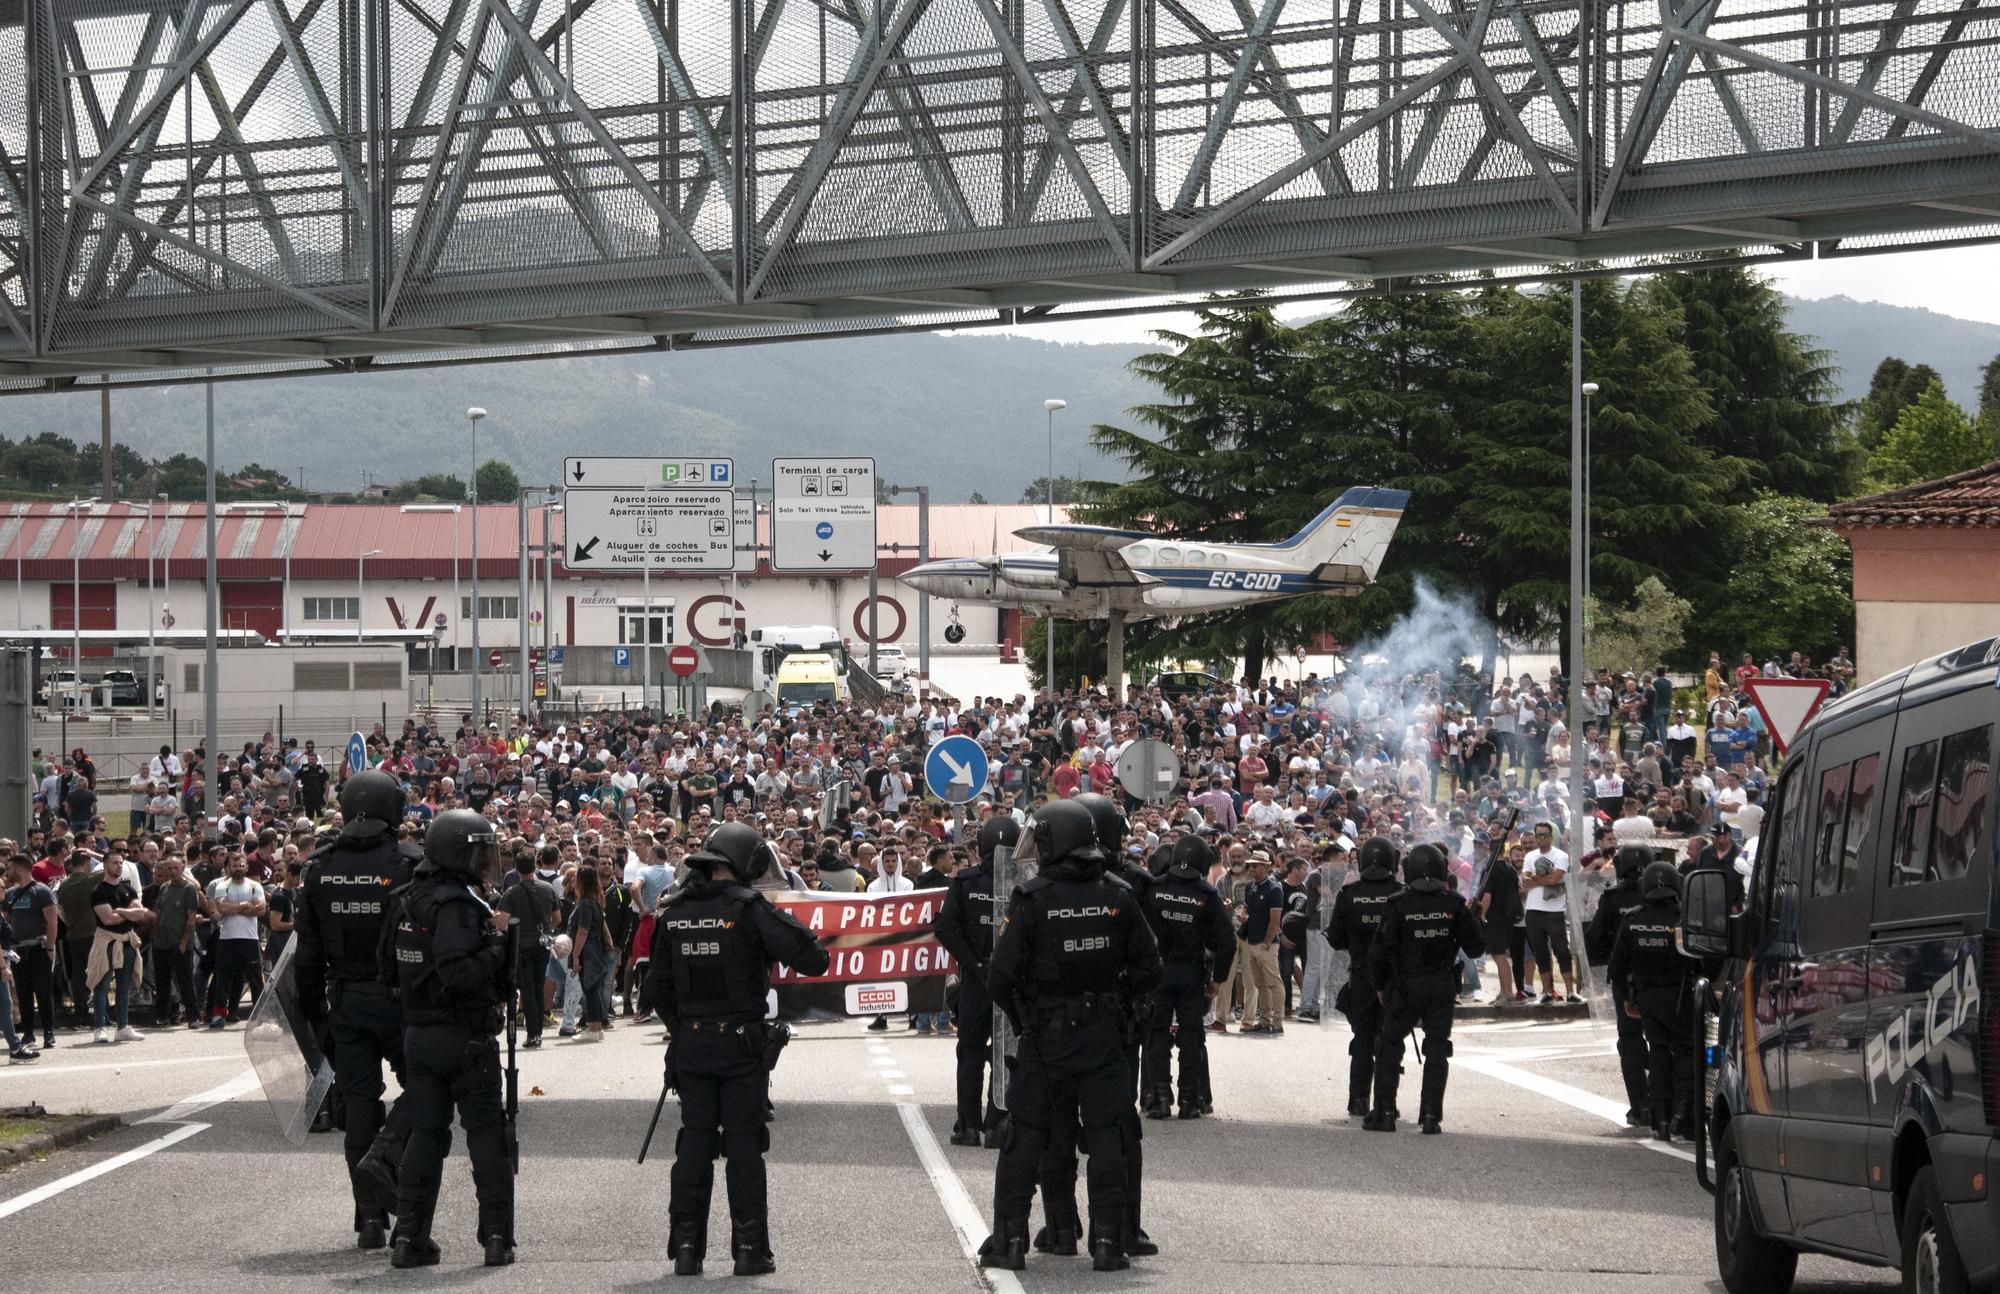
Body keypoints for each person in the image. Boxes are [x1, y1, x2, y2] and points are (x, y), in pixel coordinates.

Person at [976, 799, 1161, 1273]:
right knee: (1107, 1137)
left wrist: (1025, 1023)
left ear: (1054, 841)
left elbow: (999, 978)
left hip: (1045, 1039)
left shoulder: (1033, 898)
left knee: (1025, 1137)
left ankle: (1011, 1240)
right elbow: (1148, 968)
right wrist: (1118, 1008)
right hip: (1103, 1038)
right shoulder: (1119, 895)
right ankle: (1107, 1242)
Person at [643, 822, 828, 1277]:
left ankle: (687, 1249)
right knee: (744, 1146)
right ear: (743, 864)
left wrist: (685, 1028)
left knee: (694, 1142)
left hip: (691, 1045)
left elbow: (655, 991)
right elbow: (813, 959)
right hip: (742, 1047)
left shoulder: (674, 912)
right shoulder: (749, 909)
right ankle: (749, 1250)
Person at [292, 770, 421, 1251]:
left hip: (345, 1001)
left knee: (359, 1107)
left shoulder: (319, 869)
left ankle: (368, 1219)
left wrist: (317, 1020)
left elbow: (306, 959)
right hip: (401, 1001)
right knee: (427, 1088)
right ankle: (395, 1178)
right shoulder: (409, 864)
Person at [387, 809, 516, 1269]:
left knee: (426, 1133)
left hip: (419, 1033)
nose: (486, 862)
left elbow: (389, 970)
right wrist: (497, 943)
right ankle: (497, 1237)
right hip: (464, 1036)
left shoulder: (407, 899)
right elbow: (460, 973)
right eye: (478, 853)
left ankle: (408, 1237)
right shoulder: (457, 905)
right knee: (486, 1135)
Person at [1364, 843, 1483, 1135]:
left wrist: (1380, 986)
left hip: (1404, 986)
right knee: (1438, 1049)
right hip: (1441, 986)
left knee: (1389, 1046)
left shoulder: (1398, 904)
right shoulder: (1454, 904)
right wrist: (1475, 917)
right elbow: (1476, 948)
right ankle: (1431, 1115)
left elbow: (1378, 952)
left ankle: (1385, 1112)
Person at [1140, 836, 1233, 1120]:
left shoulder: (1153, 889)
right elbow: (1227, 940)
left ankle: (1159, 1098)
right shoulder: (1206, 894)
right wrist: (1218, 978)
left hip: (1157, 973)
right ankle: (1190, 1099)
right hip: (1192, 974)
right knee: (1192, 1036)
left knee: (1156, 1034)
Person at [935, 815, 1012, 1148]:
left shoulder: (965, 882)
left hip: (976, 980)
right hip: (1009, 982)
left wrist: (972, 965)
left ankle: (968, 1125)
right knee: (1005, 1053)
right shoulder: (1023, 884)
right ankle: (997, 1124)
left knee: (969, 1052)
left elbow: (945, 927)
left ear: (981, 849)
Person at [1610, 862, 1695, 1142]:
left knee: (1658, 1054)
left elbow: (1617, 969)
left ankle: (1659, 1120)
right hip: (1683, 997)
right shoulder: (1685, 919)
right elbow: (1707, 959)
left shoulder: (1633, 920)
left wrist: (1629, 1000)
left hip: (1647, 999)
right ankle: (1686, 1118)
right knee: (1687, 1053)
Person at [1328, 836, 1401, 1117]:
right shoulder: (1401, 894)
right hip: (1394, 979)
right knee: (1390, 1040)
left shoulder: (1349, 894)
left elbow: (1335, 939)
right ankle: (1387, 1103)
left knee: (1361, 1039)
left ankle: (1358, 1099)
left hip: (1360, 975)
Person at [1584, 845, 1655, 1127]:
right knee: (1669, 1044)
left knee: (1631, 1043)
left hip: (1627, 983)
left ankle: (1640, 1108)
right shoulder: (1674, 899)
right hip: (1668, 983)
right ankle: (1671, 1105)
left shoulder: (1612, 900)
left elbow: (1594, 941)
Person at [496, 850, 559, 1049]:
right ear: (535, 866)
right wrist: (546, 929)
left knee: (528, 990)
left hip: (521, 946)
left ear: (516, 868)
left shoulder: (512, 892)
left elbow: (501, 923)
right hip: (542, 944)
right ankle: (537, 1030)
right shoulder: (548, 889)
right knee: (538, 987)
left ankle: (533, 1033)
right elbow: (557, 918)